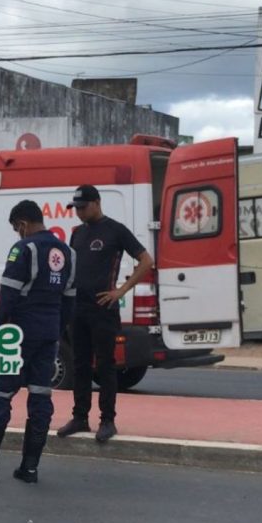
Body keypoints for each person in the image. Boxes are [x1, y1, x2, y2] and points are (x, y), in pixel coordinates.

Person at [0, 200, 75, 484]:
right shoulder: (68, 253)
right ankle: (29, 468)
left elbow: (6, 298)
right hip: (49, 336)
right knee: (41, 396)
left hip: (18, 335)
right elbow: (69, 302)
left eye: (16, 229)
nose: (17, 234)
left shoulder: (24, 249)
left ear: (21, 224)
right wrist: (55, 331)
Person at [57, 185, 153, 444]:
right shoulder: (76, 234)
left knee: (106, 364)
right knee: (79, 364)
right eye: (75, 208)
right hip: (78, 308)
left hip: (103, 309)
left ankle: (107, 420)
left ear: (96, 203)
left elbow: (146, 260)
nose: (78, 212)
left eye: (83, 207)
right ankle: (79, 417)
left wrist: (120, 290)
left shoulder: (115, 230)